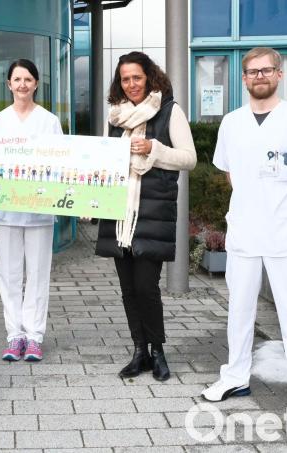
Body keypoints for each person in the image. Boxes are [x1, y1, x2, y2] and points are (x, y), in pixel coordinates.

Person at [201, 47, 287, 422]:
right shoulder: (231, 122)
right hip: (243, 231)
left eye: (266, 70)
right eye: (252, 72)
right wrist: (253, 204)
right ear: (243, 79)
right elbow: (230, 173)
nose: (259, 76)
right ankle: (235, 376)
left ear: (279, 74)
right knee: (239, 309)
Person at [95, 52, 197, 381]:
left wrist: (154, 149)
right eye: (125, 79)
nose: (131, 84)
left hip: (151, 213)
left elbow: (189, 159)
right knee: (127, 289)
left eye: (136, 77)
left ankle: (158, 351)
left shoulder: (170, 111)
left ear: (149, 77)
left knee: (146, 287)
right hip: (118, 213)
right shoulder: (115, 116)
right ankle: (139, 351)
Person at [0, 59, 63, 362]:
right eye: (17, 79)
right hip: (6, 209)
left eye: (28, 79)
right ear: (8, 84)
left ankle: (34, 337)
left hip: (40, 210)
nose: (22, 85)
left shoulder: (49, 121)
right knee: (8, 273)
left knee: (38, 274)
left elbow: (61, 163)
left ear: (36, 83)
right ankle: (14, 335)